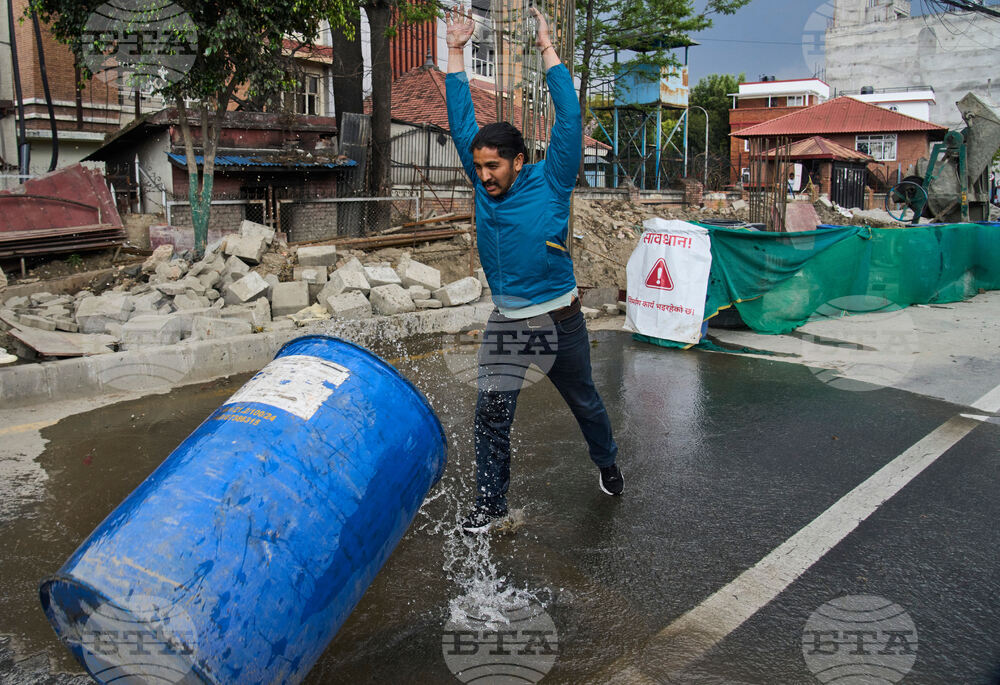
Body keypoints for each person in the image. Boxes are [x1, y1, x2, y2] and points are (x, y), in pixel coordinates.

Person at [445, 4, 622, 534]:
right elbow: (461, 120)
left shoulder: (552, 180)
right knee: (491, 418)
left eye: (492, 166)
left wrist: (547, 49)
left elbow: (568, 119)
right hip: (507, 320)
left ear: (518, 161)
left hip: (560, 321)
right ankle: (491, 507)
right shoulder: (482, 186)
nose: (483, 176)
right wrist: (455, 49)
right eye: (478, 167)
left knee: (584, 402)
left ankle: (608, 464)